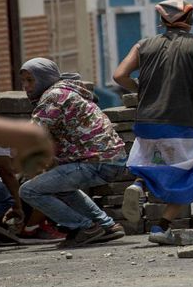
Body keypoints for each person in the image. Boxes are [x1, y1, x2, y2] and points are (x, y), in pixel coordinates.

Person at [114, 0, 193, 245]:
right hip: (179, 122)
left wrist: (140, 88)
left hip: (146, 122)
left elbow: (119, 75)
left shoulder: (143, 44)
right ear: (190, 19)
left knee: (154, 161)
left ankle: (139, 185)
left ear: (162, 21)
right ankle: (161, 228)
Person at [17, 58, 128, 247]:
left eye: (30, 80)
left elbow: (32, 133)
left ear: (44, 78)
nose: (26, 86)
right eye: (23, 81)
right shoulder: (66, 91)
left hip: (97, 161)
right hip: (110, 159)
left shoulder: (55, 95)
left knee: (29, 190)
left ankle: (85, 227)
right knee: (58, 187)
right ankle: (107, 226)